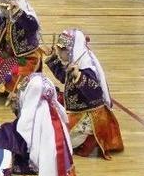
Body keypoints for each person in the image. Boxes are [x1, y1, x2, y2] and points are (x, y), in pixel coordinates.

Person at [45, 29, 123, 159]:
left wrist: (79, 76)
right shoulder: (75, 61)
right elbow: (64, 77)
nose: (59, 52)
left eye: (61, 49)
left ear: (71, 50)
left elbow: (96, 94)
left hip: (88, 116)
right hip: (75, 108)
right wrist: (53, 58)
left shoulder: (86, 67)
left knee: (55, 139)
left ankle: (89, 135)